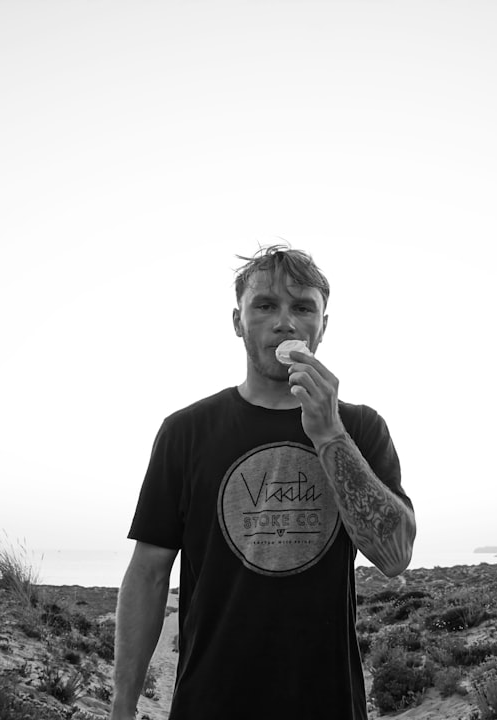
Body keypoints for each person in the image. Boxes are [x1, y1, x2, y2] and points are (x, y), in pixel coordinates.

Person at [110, 245, 416, 719]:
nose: (285, 322)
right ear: (238, 321)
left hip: (327, 704)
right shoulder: (186, 432)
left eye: (302, 307)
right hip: (208, 704)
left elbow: (395, 557)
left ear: (323, 326)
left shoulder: (361, 428)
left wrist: (329, 433)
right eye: (266, 305)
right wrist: (122, 706)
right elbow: (149, 574)